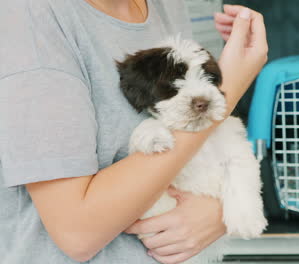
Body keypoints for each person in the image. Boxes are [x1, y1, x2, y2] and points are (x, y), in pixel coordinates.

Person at [0, 0, 268, 263]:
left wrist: (218, 207)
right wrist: (228, 88)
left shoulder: (166, 5)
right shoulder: (33, 19)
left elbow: (187, 153)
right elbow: (77, 232)